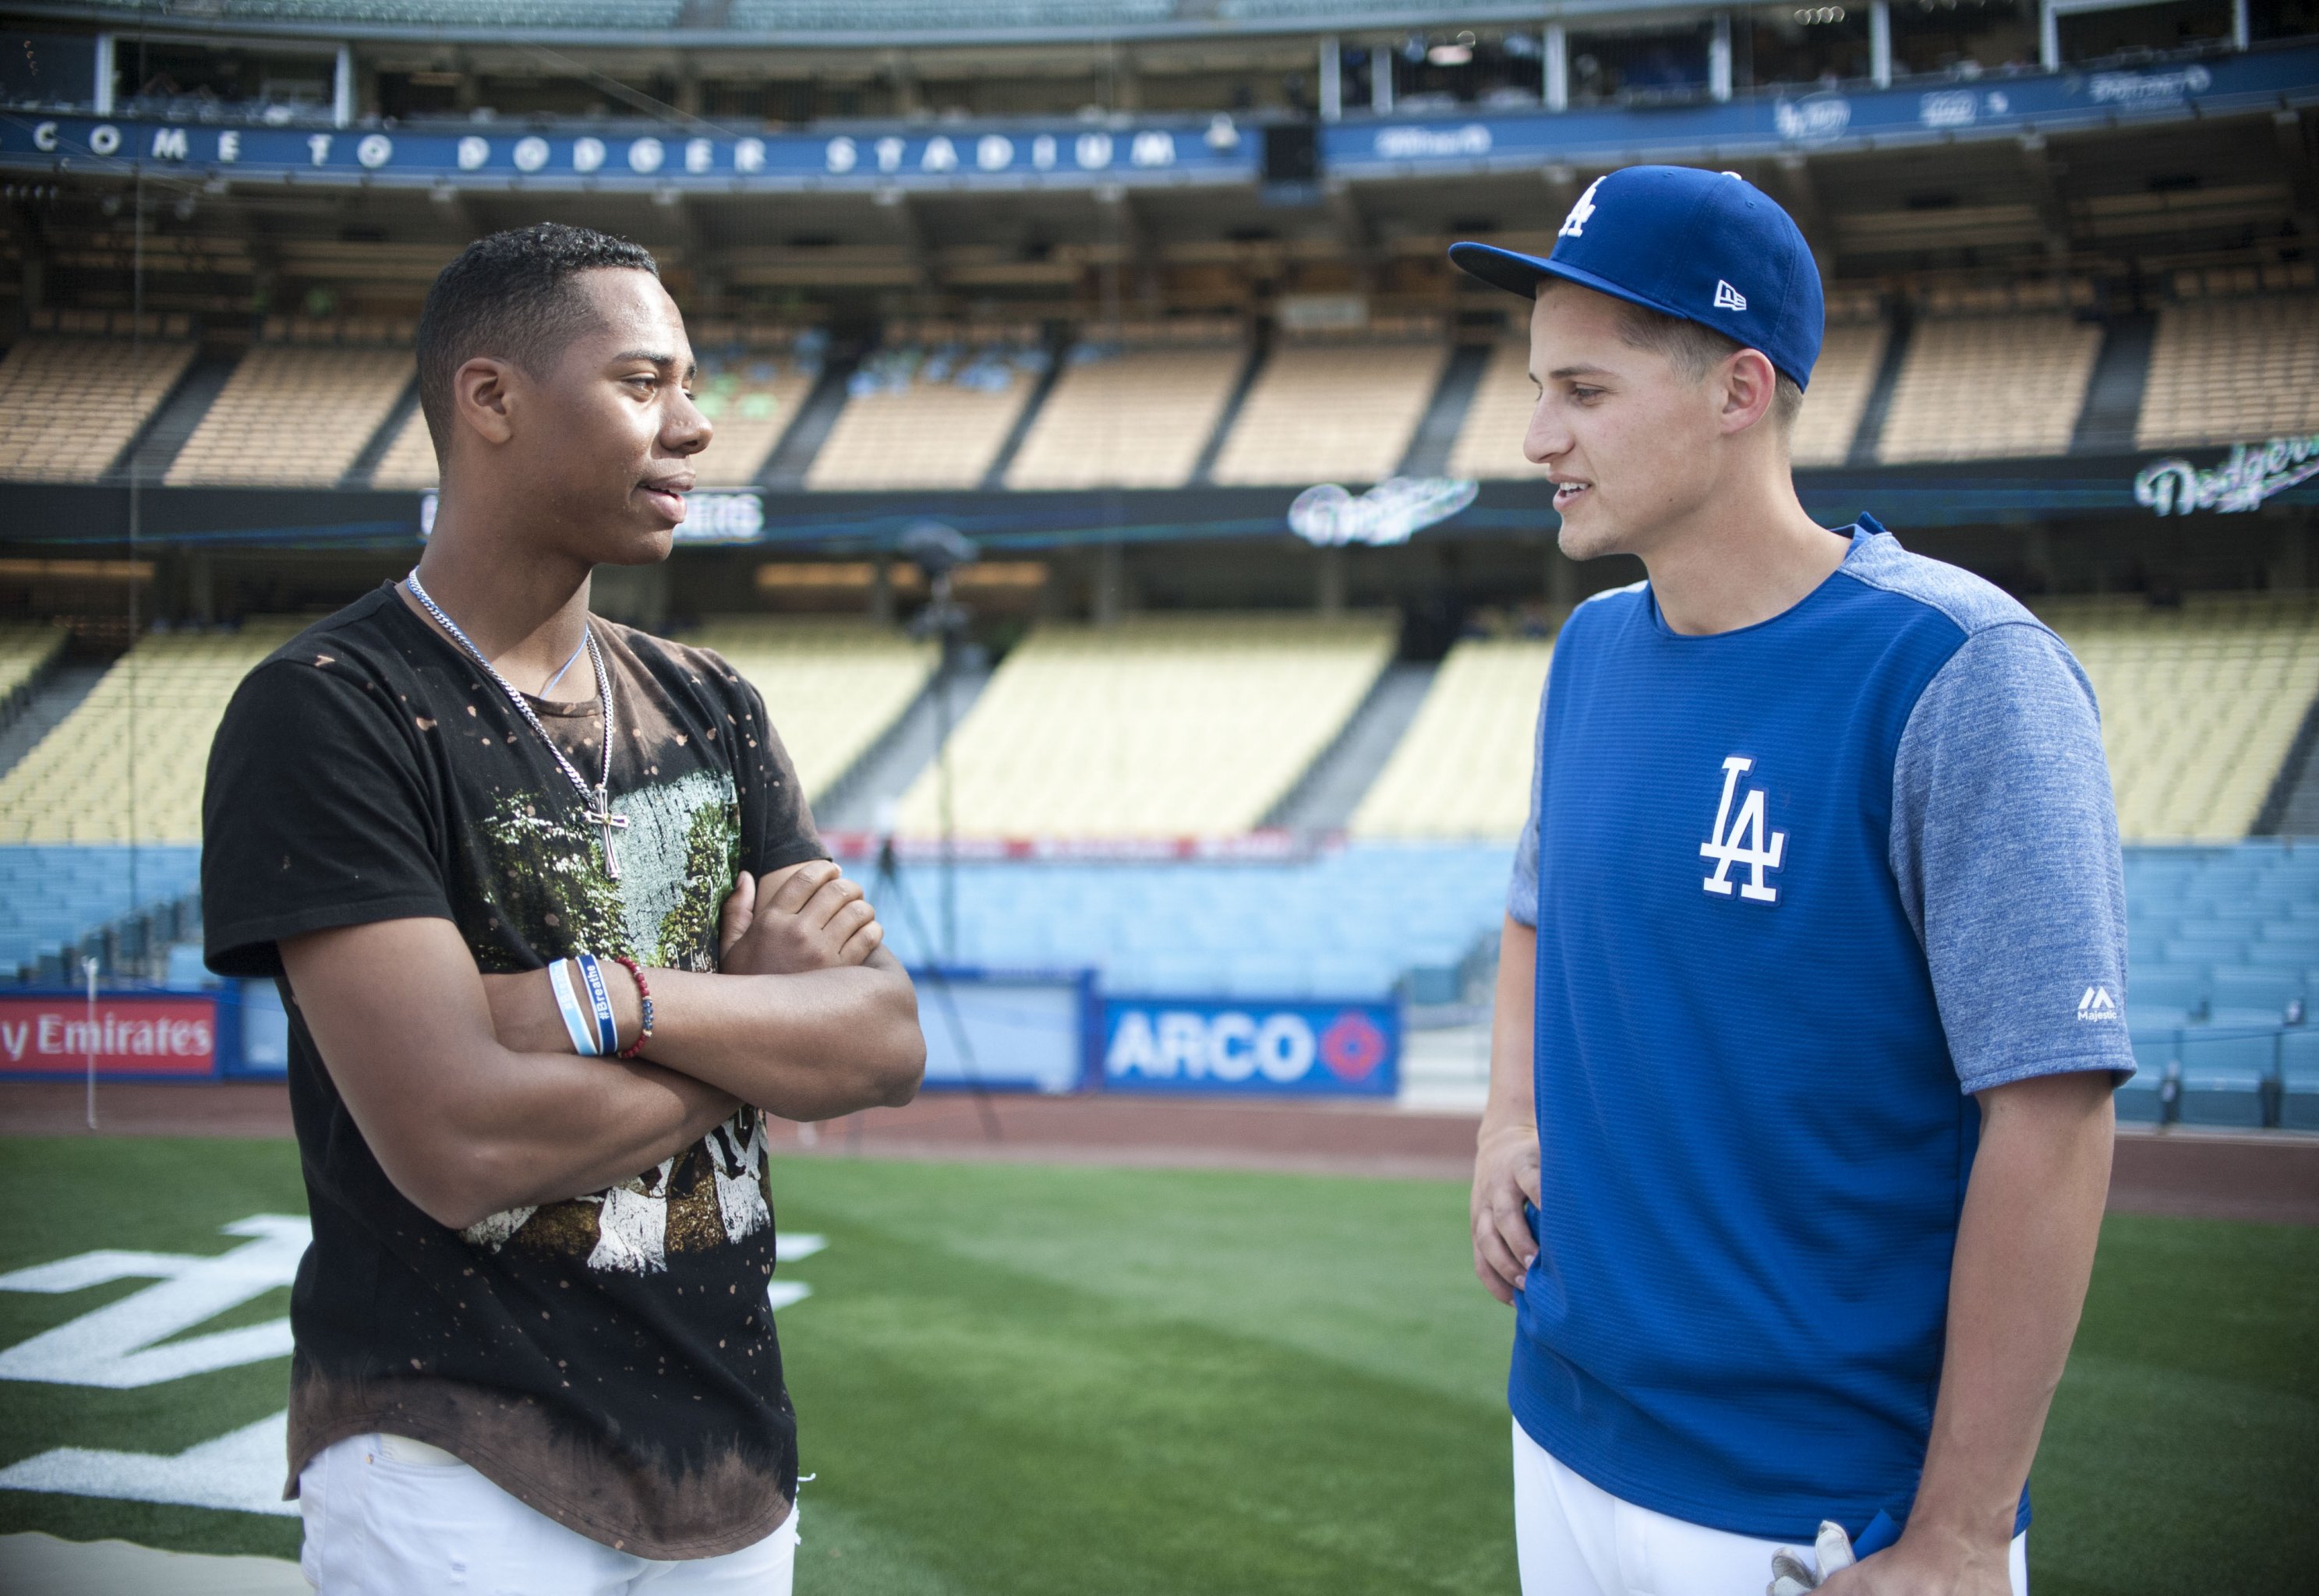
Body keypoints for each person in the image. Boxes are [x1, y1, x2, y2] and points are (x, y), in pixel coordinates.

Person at [202, 223, 926, 1594]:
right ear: (491, 401)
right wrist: (755, 1029)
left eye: (693, 384)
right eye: (646, 383)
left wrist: (614, 1002)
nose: (698, 425)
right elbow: (460, 1138)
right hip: (450, 1452)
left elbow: (883, 1043)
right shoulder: (331, 711)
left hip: (727, 1460)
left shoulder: (711, 702)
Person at [1451, 167, 2130, 1596]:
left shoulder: (1957, 671)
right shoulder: (1588, 652)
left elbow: (2054, 1115)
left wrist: (1958, 1534)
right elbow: (1535, 908)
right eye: (1534, 388)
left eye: (1581, 390)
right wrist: (1507, 1114)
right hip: (1562, 1434)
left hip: (1819, 1501)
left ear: (1738, 390)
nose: (1534, 436)